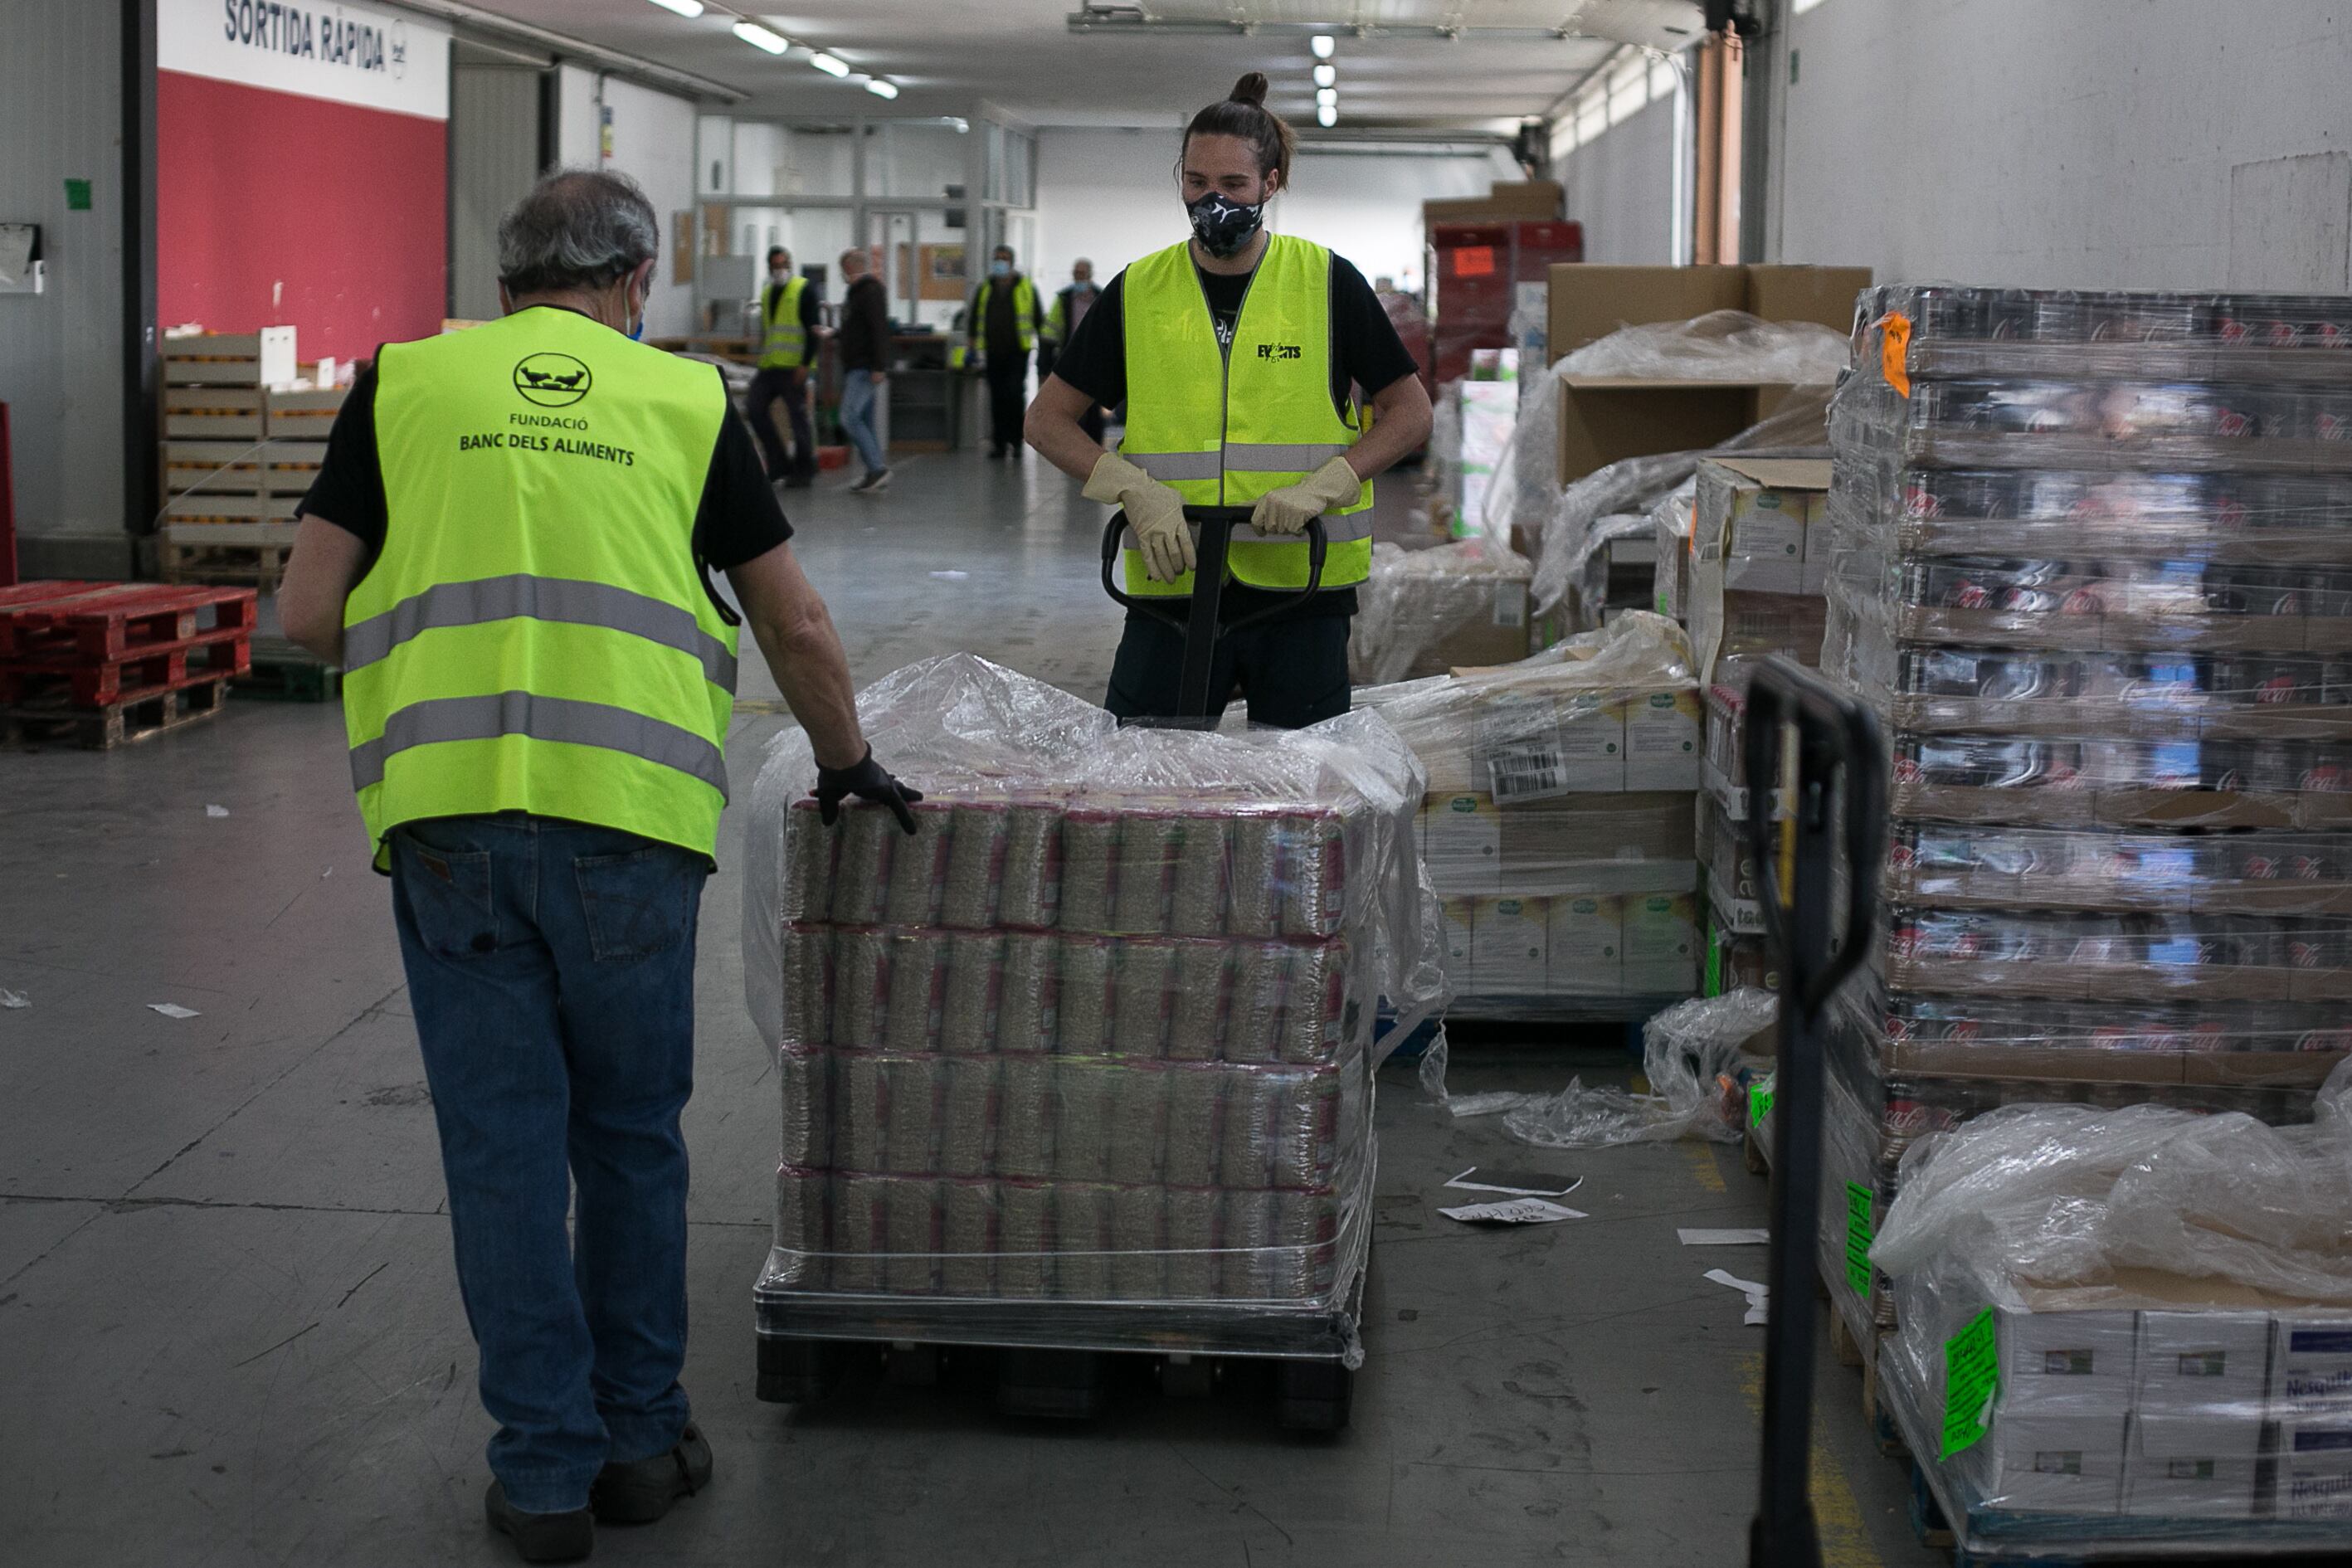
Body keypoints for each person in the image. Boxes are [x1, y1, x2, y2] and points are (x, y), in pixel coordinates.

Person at [273, 168, 920, 1566]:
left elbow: (308, 612)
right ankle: (640, 1444)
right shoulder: (688, 404)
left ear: (506, 289)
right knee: (630, 1140)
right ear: (633, 285)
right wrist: (849, 759)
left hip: (449, 832)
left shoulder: (403, 386)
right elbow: (794, 621)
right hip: (629, 831)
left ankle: (546, 1479)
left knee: (502, 1154)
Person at [1025, 73, 1434, 728]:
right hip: (1173, 583)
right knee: (1149, 778)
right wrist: (1131, 488)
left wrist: (1326, 483)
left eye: (1234, 186)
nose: (1212, 201)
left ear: (1270, 185)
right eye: (1196, 184)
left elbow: (1410, 412)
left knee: (1302, 786)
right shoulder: (1138, 290)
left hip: (1301, 585)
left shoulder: (1326, 282)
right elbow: (1046, 421)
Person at [747, 246, 821, 488]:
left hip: (793, 367)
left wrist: (805, 364)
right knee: (754, 407)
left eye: (783, 265)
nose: (780, 270)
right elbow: (771, 331)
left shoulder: (803, 289)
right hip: (770, 365)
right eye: (775, 266)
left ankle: (804, 469)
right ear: (769, 268)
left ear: (790, 265)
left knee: (798, 419)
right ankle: (778, 463)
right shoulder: (768, 293)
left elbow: (813, 331)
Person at [968, 243, 1046, 460]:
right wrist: (972, 343)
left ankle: (1016, 440)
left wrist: (1045, 348)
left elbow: (1038, 317)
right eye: (997, 258)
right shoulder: (986, 287)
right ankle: (999, 443)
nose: (999, 263)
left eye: (1003, 258)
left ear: (1011, 262)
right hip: (993, 351)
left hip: (1017, 351)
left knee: (1014, 394)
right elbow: (975, 317)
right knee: (997, 398)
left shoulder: (1026, 287)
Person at [834, 246, 892, 494]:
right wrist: (834, 334)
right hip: (857, 365)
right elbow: (854, 328)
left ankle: (877, 468)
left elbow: (878, 330)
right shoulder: (857, 293)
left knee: (849, 416)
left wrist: (879, 365)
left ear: (848, 268)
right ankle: (872, 471)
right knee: (865, 420)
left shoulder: (869, 292)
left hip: (864, 366)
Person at [1040, 258, 1107, 445]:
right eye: (1076, 273)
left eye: (1082, 274)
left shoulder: (1101, 298)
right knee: (1071, 409)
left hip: (1095, 362)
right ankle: (1073, 446)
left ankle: (1094, 447)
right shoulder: (1063, 299)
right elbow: (1048, 335)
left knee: (1093, 409)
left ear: (1090, 275)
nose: (1079, 277)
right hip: (1069, 361)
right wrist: (1044, 368)